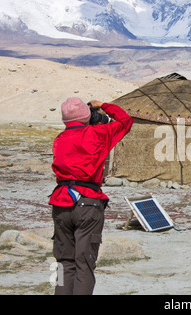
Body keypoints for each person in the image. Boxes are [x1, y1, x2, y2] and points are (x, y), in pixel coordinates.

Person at [49, 97, 133, 295]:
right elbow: (125, 121)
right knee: (84, 263)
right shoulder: (98, 133)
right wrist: (103, 106)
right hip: (88, 203)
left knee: (62, 263)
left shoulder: (59, 140)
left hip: (61, 202)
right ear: (87, 117)